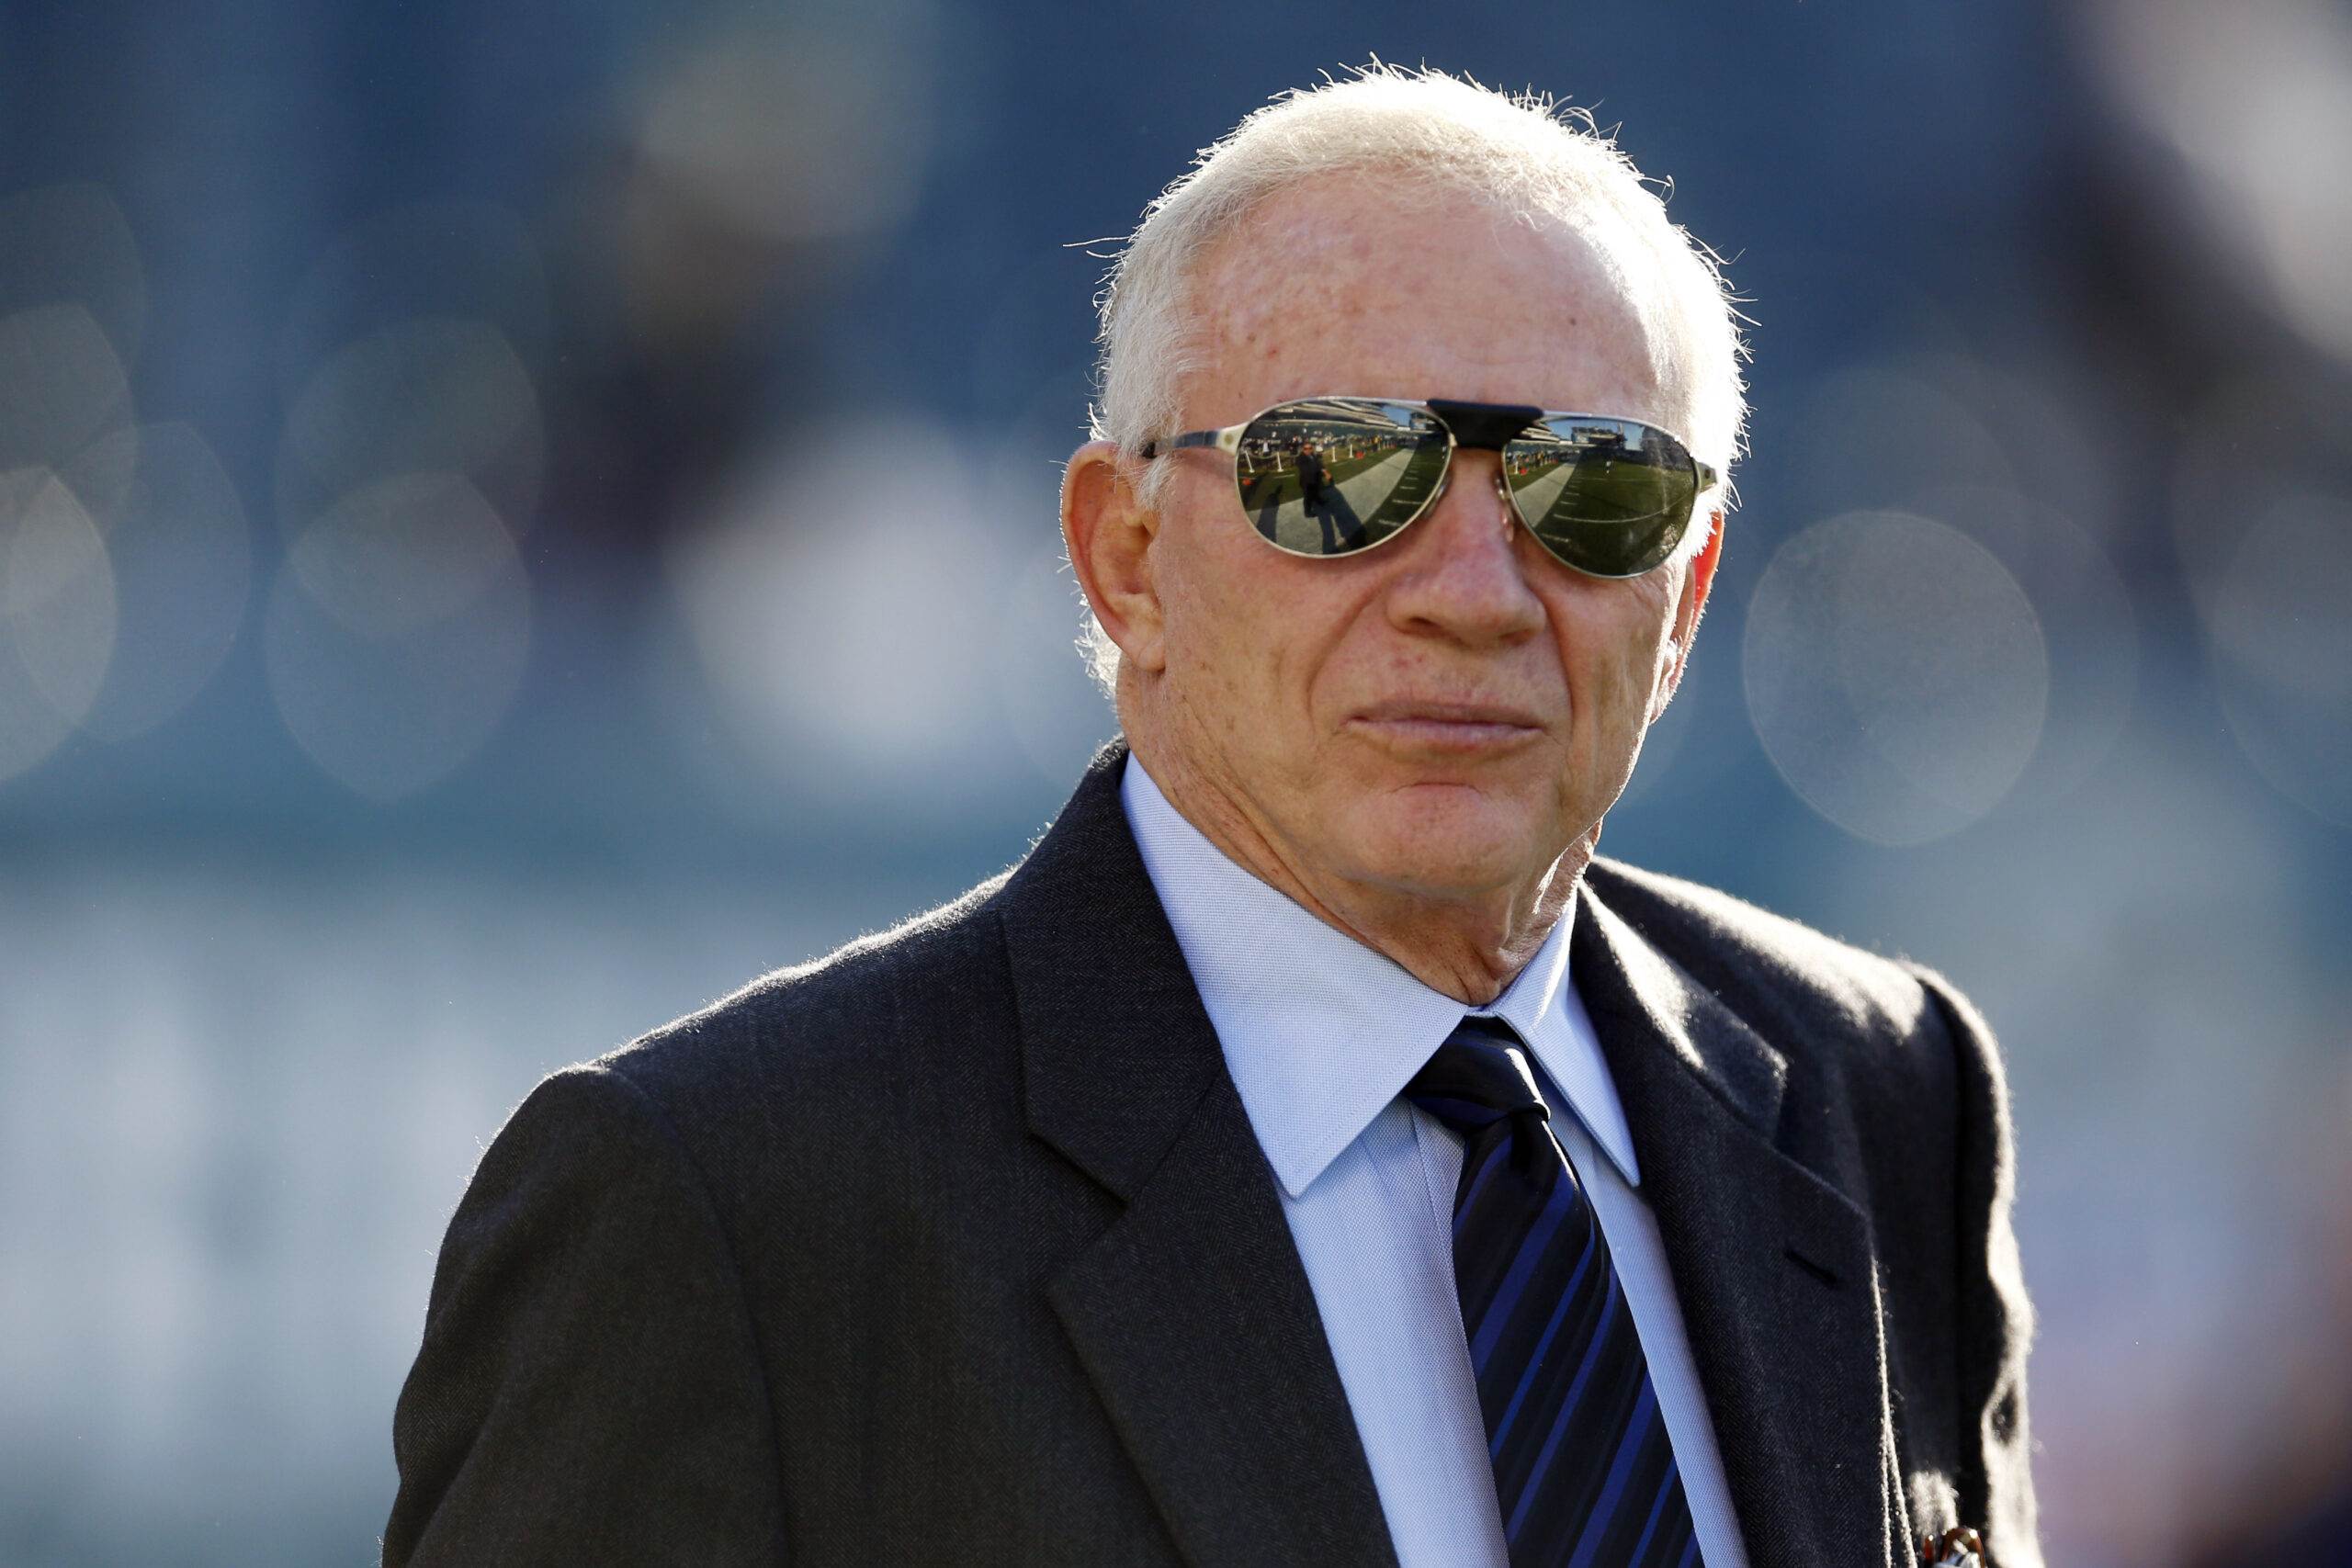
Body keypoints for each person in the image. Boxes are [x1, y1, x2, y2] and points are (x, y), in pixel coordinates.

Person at [384, 68, 2040, 1568]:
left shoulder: (1879, 1092)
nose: (1473, 594)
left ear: (1683, 595)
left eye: (1588, 490)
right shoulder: (728, 1207)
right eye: (1341, 477)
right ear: (1123, 557)